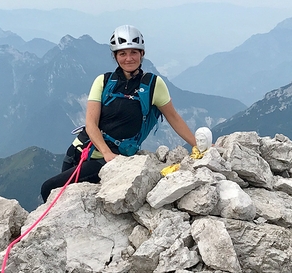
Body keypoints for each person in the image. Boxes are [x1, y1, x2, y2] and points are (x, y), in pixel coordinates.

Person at [41, 25, 196, 202]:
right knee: (62, 199)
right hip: (80, 151)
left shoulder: (153, 84)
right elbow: (91, 124)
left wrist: (198, 145)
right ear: (115, 56)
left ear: (142, 54)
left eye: (133, 52)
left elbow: (174, 117)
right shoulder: (103, 81)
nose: (128, 58)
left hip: (107, 158)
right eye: (122, 54)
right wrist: (106, 153)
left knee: (49, 188)